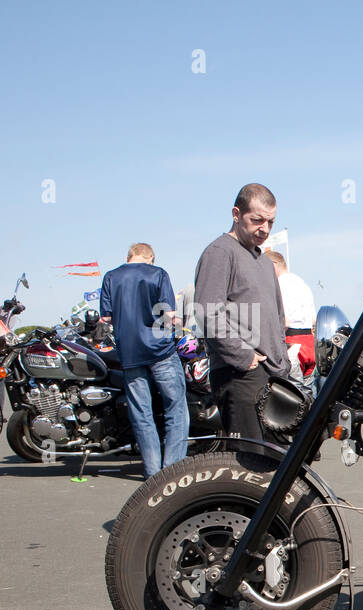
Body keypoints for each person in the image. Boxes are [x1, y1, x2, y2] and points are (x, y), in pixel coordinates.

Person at [194, 183, 289, 440]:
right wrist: (243, 357)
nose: (265, 229)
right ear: (236, 214)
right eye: (257, 220)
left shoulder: (264, 262)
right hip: (241, 376)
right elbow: (207, 312)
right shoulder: (220, 252)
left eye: (270, 222)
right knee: (248, 464)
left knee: (275, 463)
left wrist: (281, 362)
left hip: (271, 374)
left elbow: (278, 317)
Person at [97, 243, 188, 478]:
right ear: (150, 257)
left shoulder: (111, 277)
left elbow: (105, 317)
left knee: (142, 413)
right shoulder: (158, 274)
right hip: (161, 351)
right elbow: (168, 314)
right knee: (176, 409)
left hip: (129, 354)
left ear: (129, 256)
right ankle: (171, 472)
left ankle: (152, 473)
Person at [264, 250, 316, 397]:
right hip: (309, 345)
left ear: (272, 266)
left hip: (292, 344)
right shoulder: (303, 283)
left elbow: (283, 320)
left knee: (292, 396)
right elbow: (313, 319)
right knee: (308, 394)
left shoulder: (279, 285)